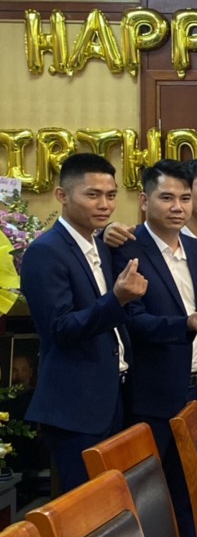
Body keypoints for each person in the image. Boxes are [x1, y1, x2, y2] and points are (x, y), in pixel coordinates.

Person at [111, 159, 197, 537]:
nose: (177, 207)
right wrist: (185, 325)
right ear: (144, 201)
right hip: (152, 393)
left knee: (194, 490)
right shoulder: (126, 249)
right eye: (166, 198)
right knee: (149, 495)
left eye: (184, 198)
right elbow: (132, 321)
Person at [20, 153, 144, 492]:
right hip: (75, 404)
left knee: (111, 499)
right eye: (92, 195)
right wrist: (117, 300)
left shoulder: (98, 246)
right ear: (62, 195)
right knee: (84, 505)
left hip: (111, 395)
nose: (104, 204)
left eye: (111, 195)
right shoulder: (46, 251)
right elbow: (60, 329)